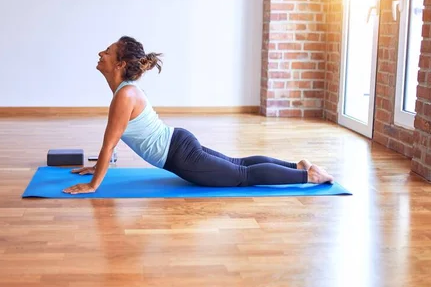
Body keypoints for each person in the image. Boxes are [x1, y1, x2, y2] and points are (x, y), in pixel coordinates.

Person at [62, 36, 334, 194]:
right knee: (238, 164)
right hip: (179, 144)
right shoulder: (126, 91)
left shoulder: (125, 95)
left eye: (107, 52)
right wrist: (99, 167)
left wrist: (93, 185)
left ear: (119, 64)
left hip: (181, 156)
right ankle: (298, 166)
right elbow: (118, 138)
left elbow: (110, 143)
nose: (101, 53)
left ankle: (308, 177)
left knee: (242, 176)